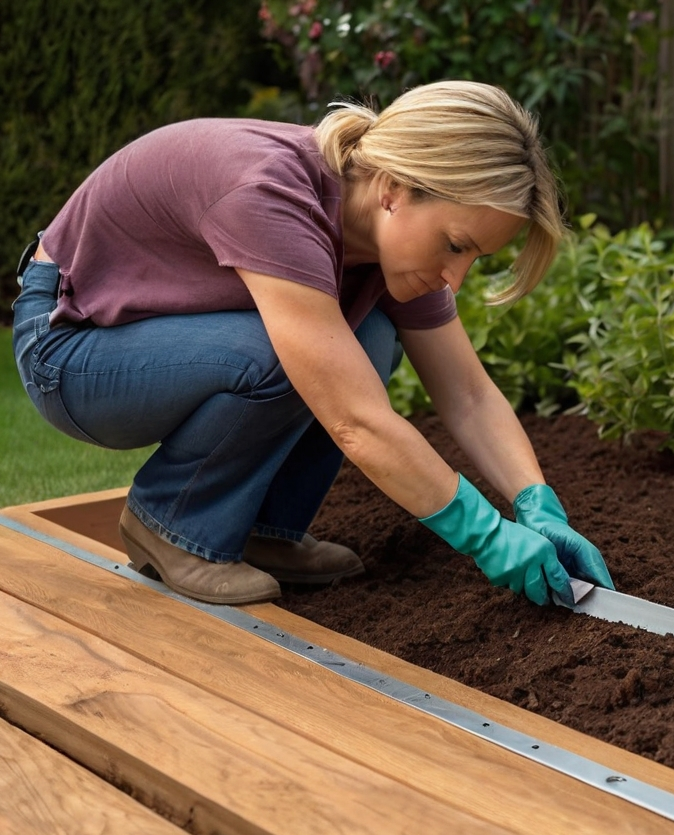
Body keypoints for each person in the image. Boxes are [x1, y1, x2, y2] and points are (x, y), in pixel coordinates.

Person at [12, 81, 613, 607]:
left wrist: (535, 501)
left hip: (156, 338)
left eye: (475, 257)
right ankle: (174, 524)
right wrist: (484, 535)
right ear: (394, 189)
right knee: (294, 359)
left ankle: (264, 530)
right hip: (68, 348)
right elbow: (357, 420)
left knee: (369, 339)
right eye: (455, 245)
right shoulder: (272, 193)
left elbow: (469, 395)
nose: (456, 278)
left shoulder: (393, 244)